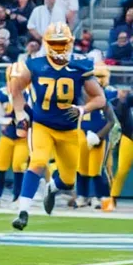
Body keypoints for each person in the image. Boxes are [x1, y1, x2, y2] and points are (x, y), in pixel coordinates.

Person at [9, 23, 107, 231]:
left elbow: (100, 99)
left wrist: (82, 109)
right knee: (37, 162)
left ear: (70, 43)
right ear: (46, 43)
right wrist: (19, 114)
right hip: (42, 125)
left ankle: (52, 188)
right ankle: (23, 212)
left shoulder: (80, 65)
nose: (59, 47)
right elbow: (15, 89)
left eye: (62, 43)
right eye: (54, 43)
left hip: (69, 129)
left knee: (69, 180)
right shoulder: (34, 64)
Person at [75, 63, 117, 208]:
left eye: (100, 77)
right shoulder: (80, 95)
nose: (97, 81)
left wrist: (99, 136)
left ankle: (104, 199)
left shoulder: (106, 97)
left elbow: (111, 121)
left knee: (98, 170)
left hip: (99, 138)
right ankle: (82, 196)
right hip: (81, 135)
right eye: (95, 77)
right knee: (81, 169)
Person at [0, 63, 31, 206]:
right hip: (7, 136)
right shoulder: (3, 93)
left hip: (23, 137)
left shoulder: (30, 94)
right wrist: (9, 120)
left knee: (18, 166)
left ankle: (17, 198)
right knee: (1, 167)